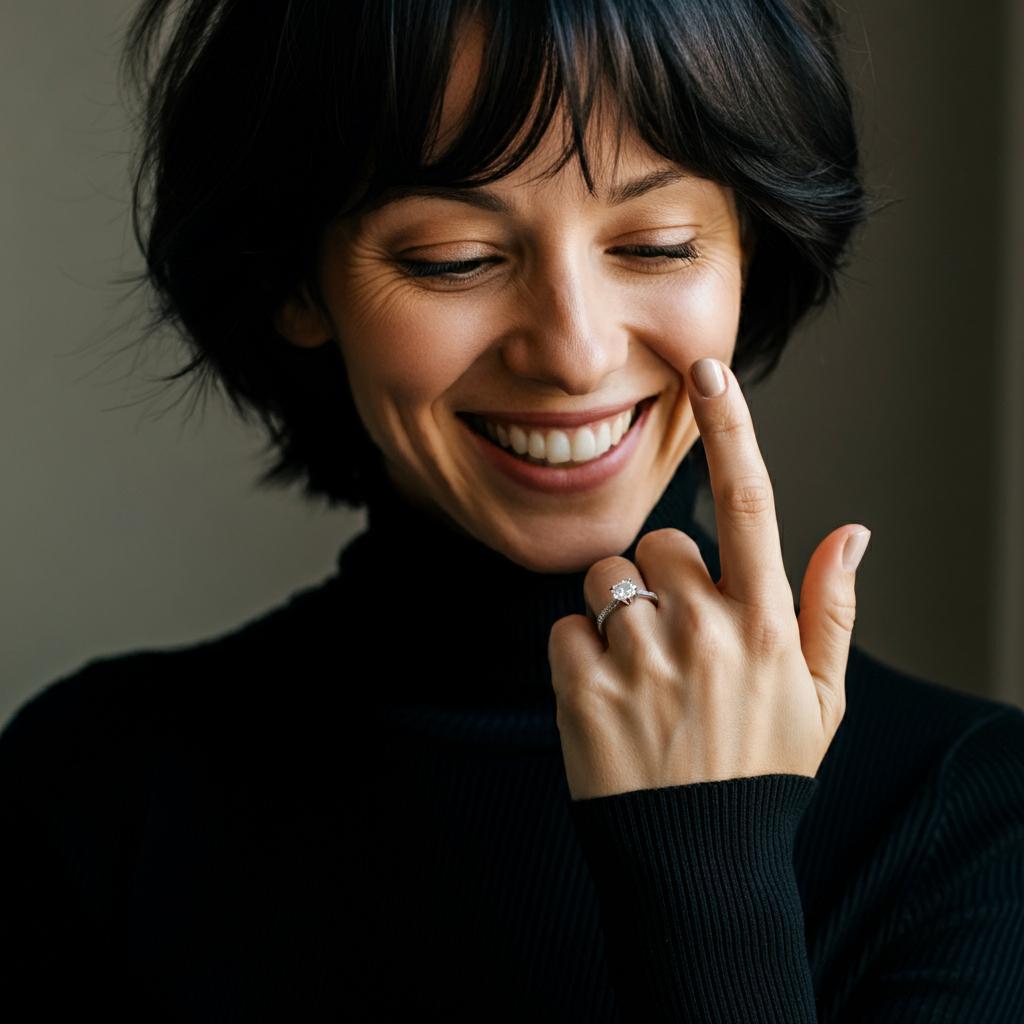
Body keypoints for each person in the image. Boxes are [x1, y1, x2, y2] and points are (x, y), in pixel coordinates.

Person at [2, 1, 1022, 1020]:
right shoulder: (92, 793)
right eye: (455, 258)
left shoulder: (972, 816)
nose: (573, 350)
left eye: (658, 246)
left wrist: (711, 867)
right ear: (295, 284)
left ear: (750, 251)